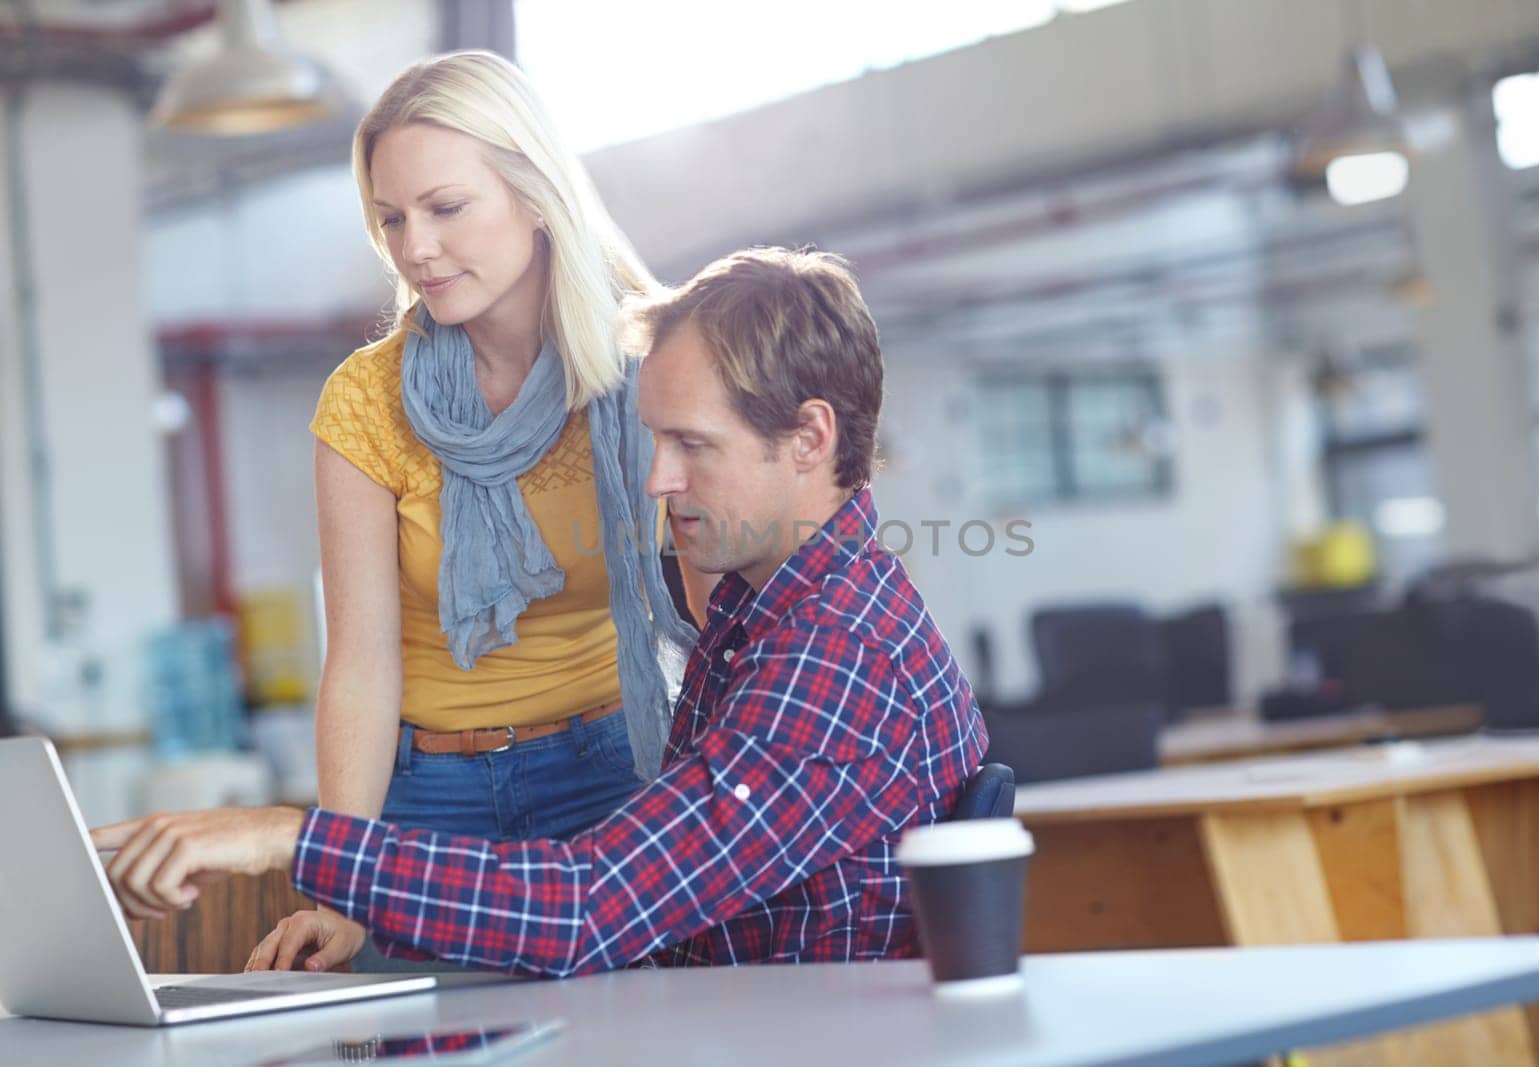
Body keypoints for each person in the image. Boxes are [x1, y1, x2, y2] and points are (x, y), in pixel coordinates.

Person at [94, 247, 988, 977]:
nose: (655, 479)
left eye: (692, 445)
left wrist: (289, 836)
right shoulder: (776, 612)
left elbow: (586, 906)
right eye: (656, 437)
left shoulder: (838, 661)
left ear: (809, 438)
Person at [266, 50, 707, 970]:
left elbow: (723, 602)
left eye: (445, 207)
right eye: (390, 217)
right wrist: (342, 880)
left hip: (614, 777)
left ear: (536, 192)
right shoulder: (367, 400)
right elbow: (359, 661)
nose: (413, 246)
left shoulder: (653, 360)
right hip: (429, 803)